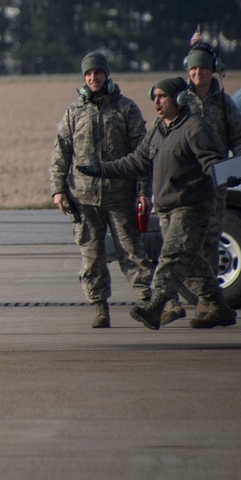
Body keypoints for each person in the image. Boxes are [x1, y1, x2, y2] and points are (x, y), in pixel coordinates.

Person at [76, 76, 236, 330]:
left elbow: (213, 162)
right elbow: (136, 161)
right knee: (191, 261)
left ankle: (155, 307)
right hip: (167, 209)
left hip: (191, 207)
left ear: (179, 99)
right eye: (154, 98)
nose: (156, 102)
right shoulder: (158, 130)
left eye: (162, 97)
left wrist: (227, 173)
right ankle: (219, 307)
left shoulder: (195, 128)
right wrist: (100, 169)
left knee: (171, 257)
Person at [49, 51, 154, 328]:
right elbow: (61, 152)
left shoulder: (126, 109)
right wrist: (58, 189)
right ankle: (99, 308)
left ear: (106, 75)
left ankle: (150, 301)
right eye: (88, 74)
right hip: (83, 198)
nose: (93, 77)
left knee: (132, 252)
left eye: (97, 72)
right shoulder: (74, 112)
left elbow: (143, 154)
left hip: (121, 195)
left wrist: (143, 191)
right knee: (92, 256)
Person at [160, 37, 241, 325]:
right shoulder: (179, 100)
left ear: (213, 70)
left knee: (209, 242)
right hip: (182, 185)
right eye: (193, 69)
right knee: (173, 246)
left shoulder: (224, 104)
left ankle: (207, 305)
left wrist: (237, 165)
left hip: (214, 185)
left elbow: (240, 139)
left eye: (203, 68)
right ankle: (170, 303)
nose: (197, 73)